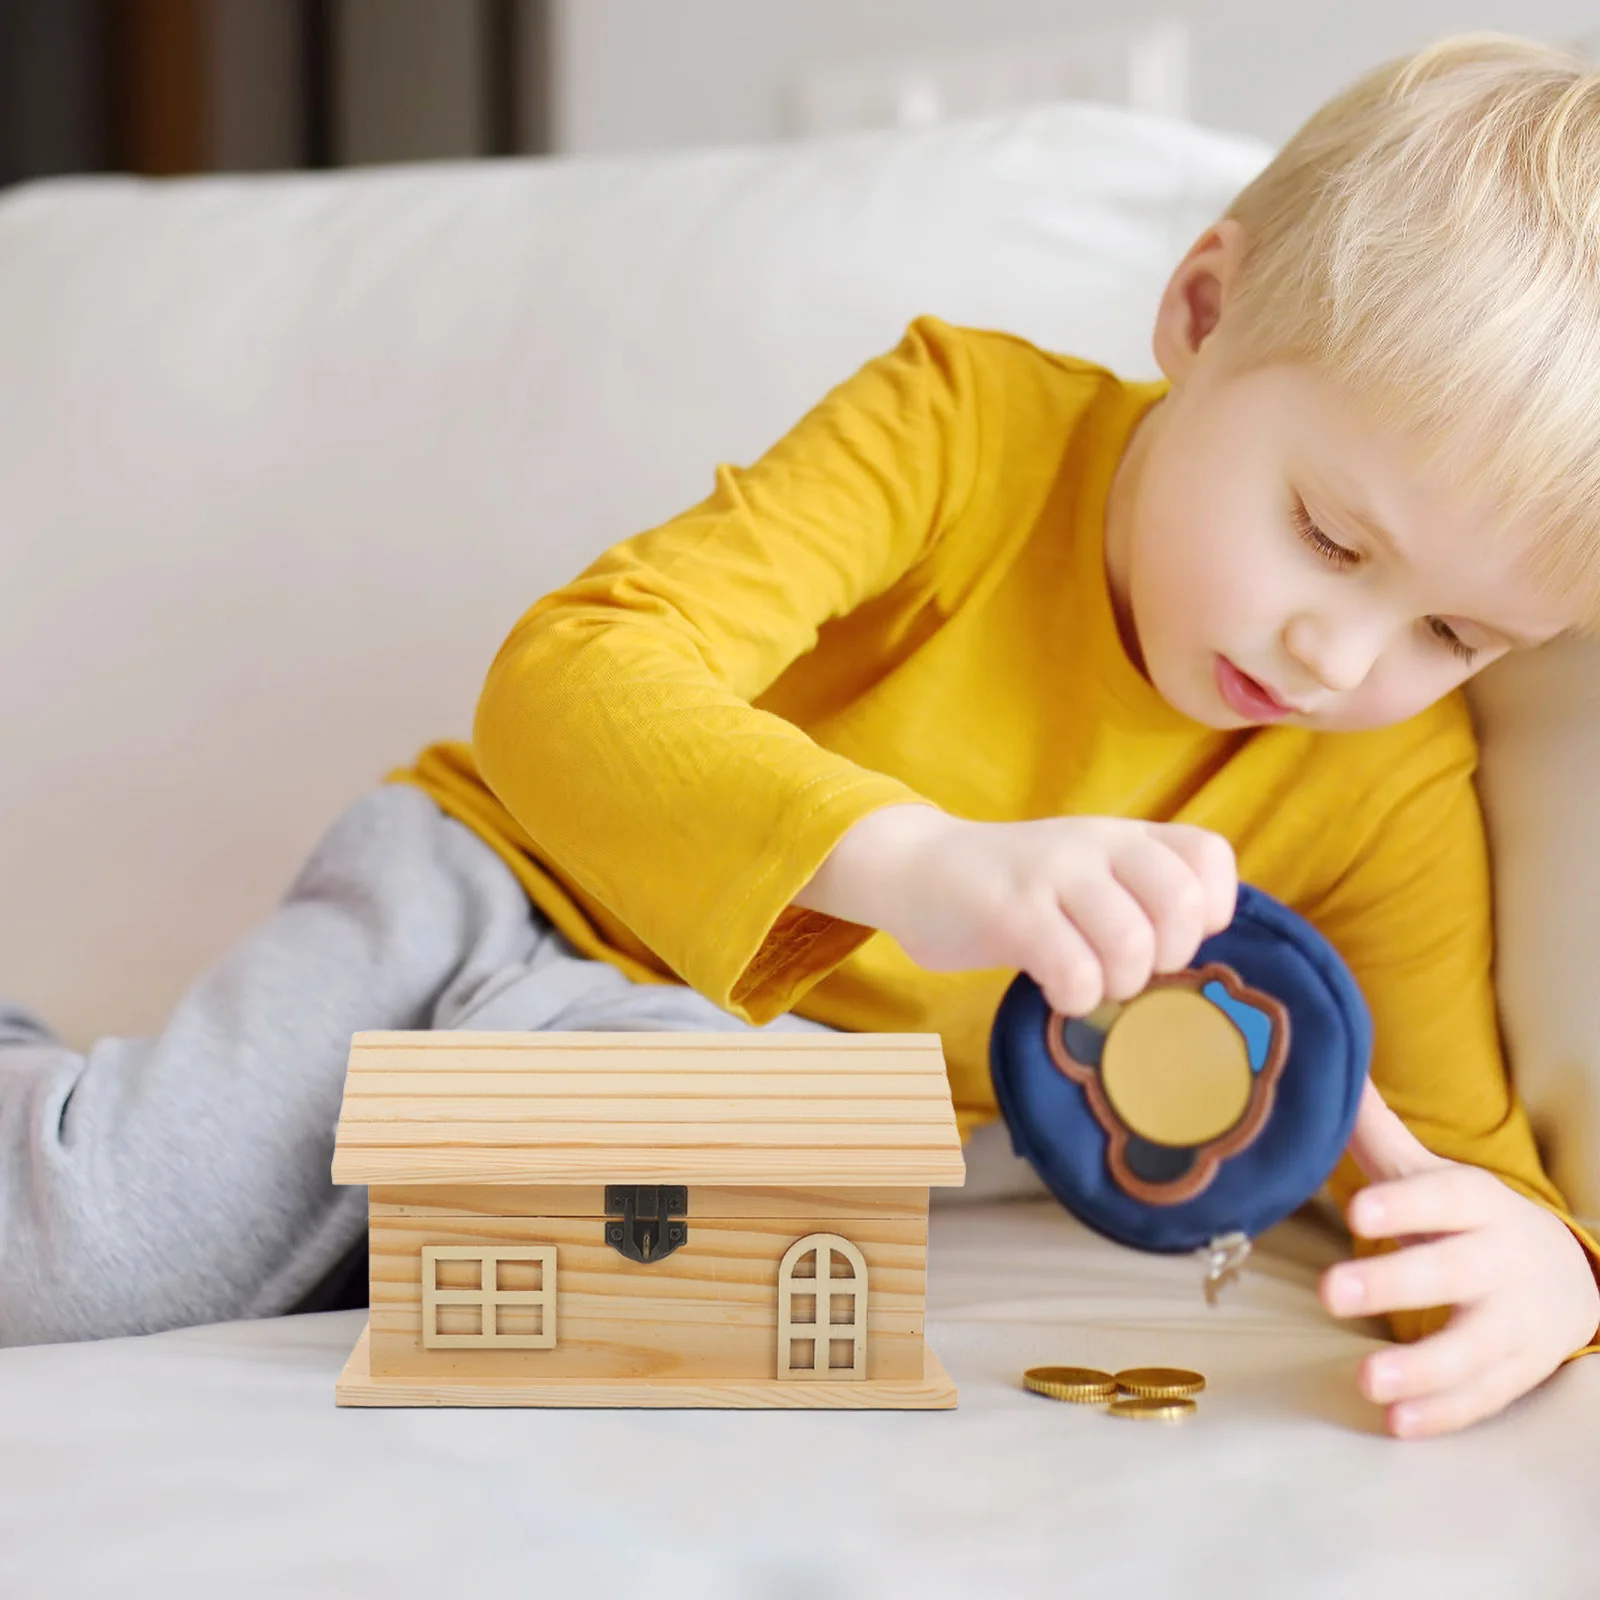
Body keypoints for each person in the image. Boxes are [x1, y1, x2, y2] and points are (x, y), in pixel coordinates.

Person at [4, 33, 1598, 1441]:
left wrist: (1540, 1275)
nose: (1342, 657)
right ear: (1202, 313)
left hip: (731, 1066)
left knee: (667, 1285)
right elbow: (577, 671)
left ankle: (471, 1113)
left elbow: (1444, 1151)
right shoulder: (961, 429)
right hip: (492, 886)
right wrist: (910, 862)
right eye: (1327, 537)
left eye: (1455, 635)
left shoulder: (1393, 781)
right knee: (87, 1250)